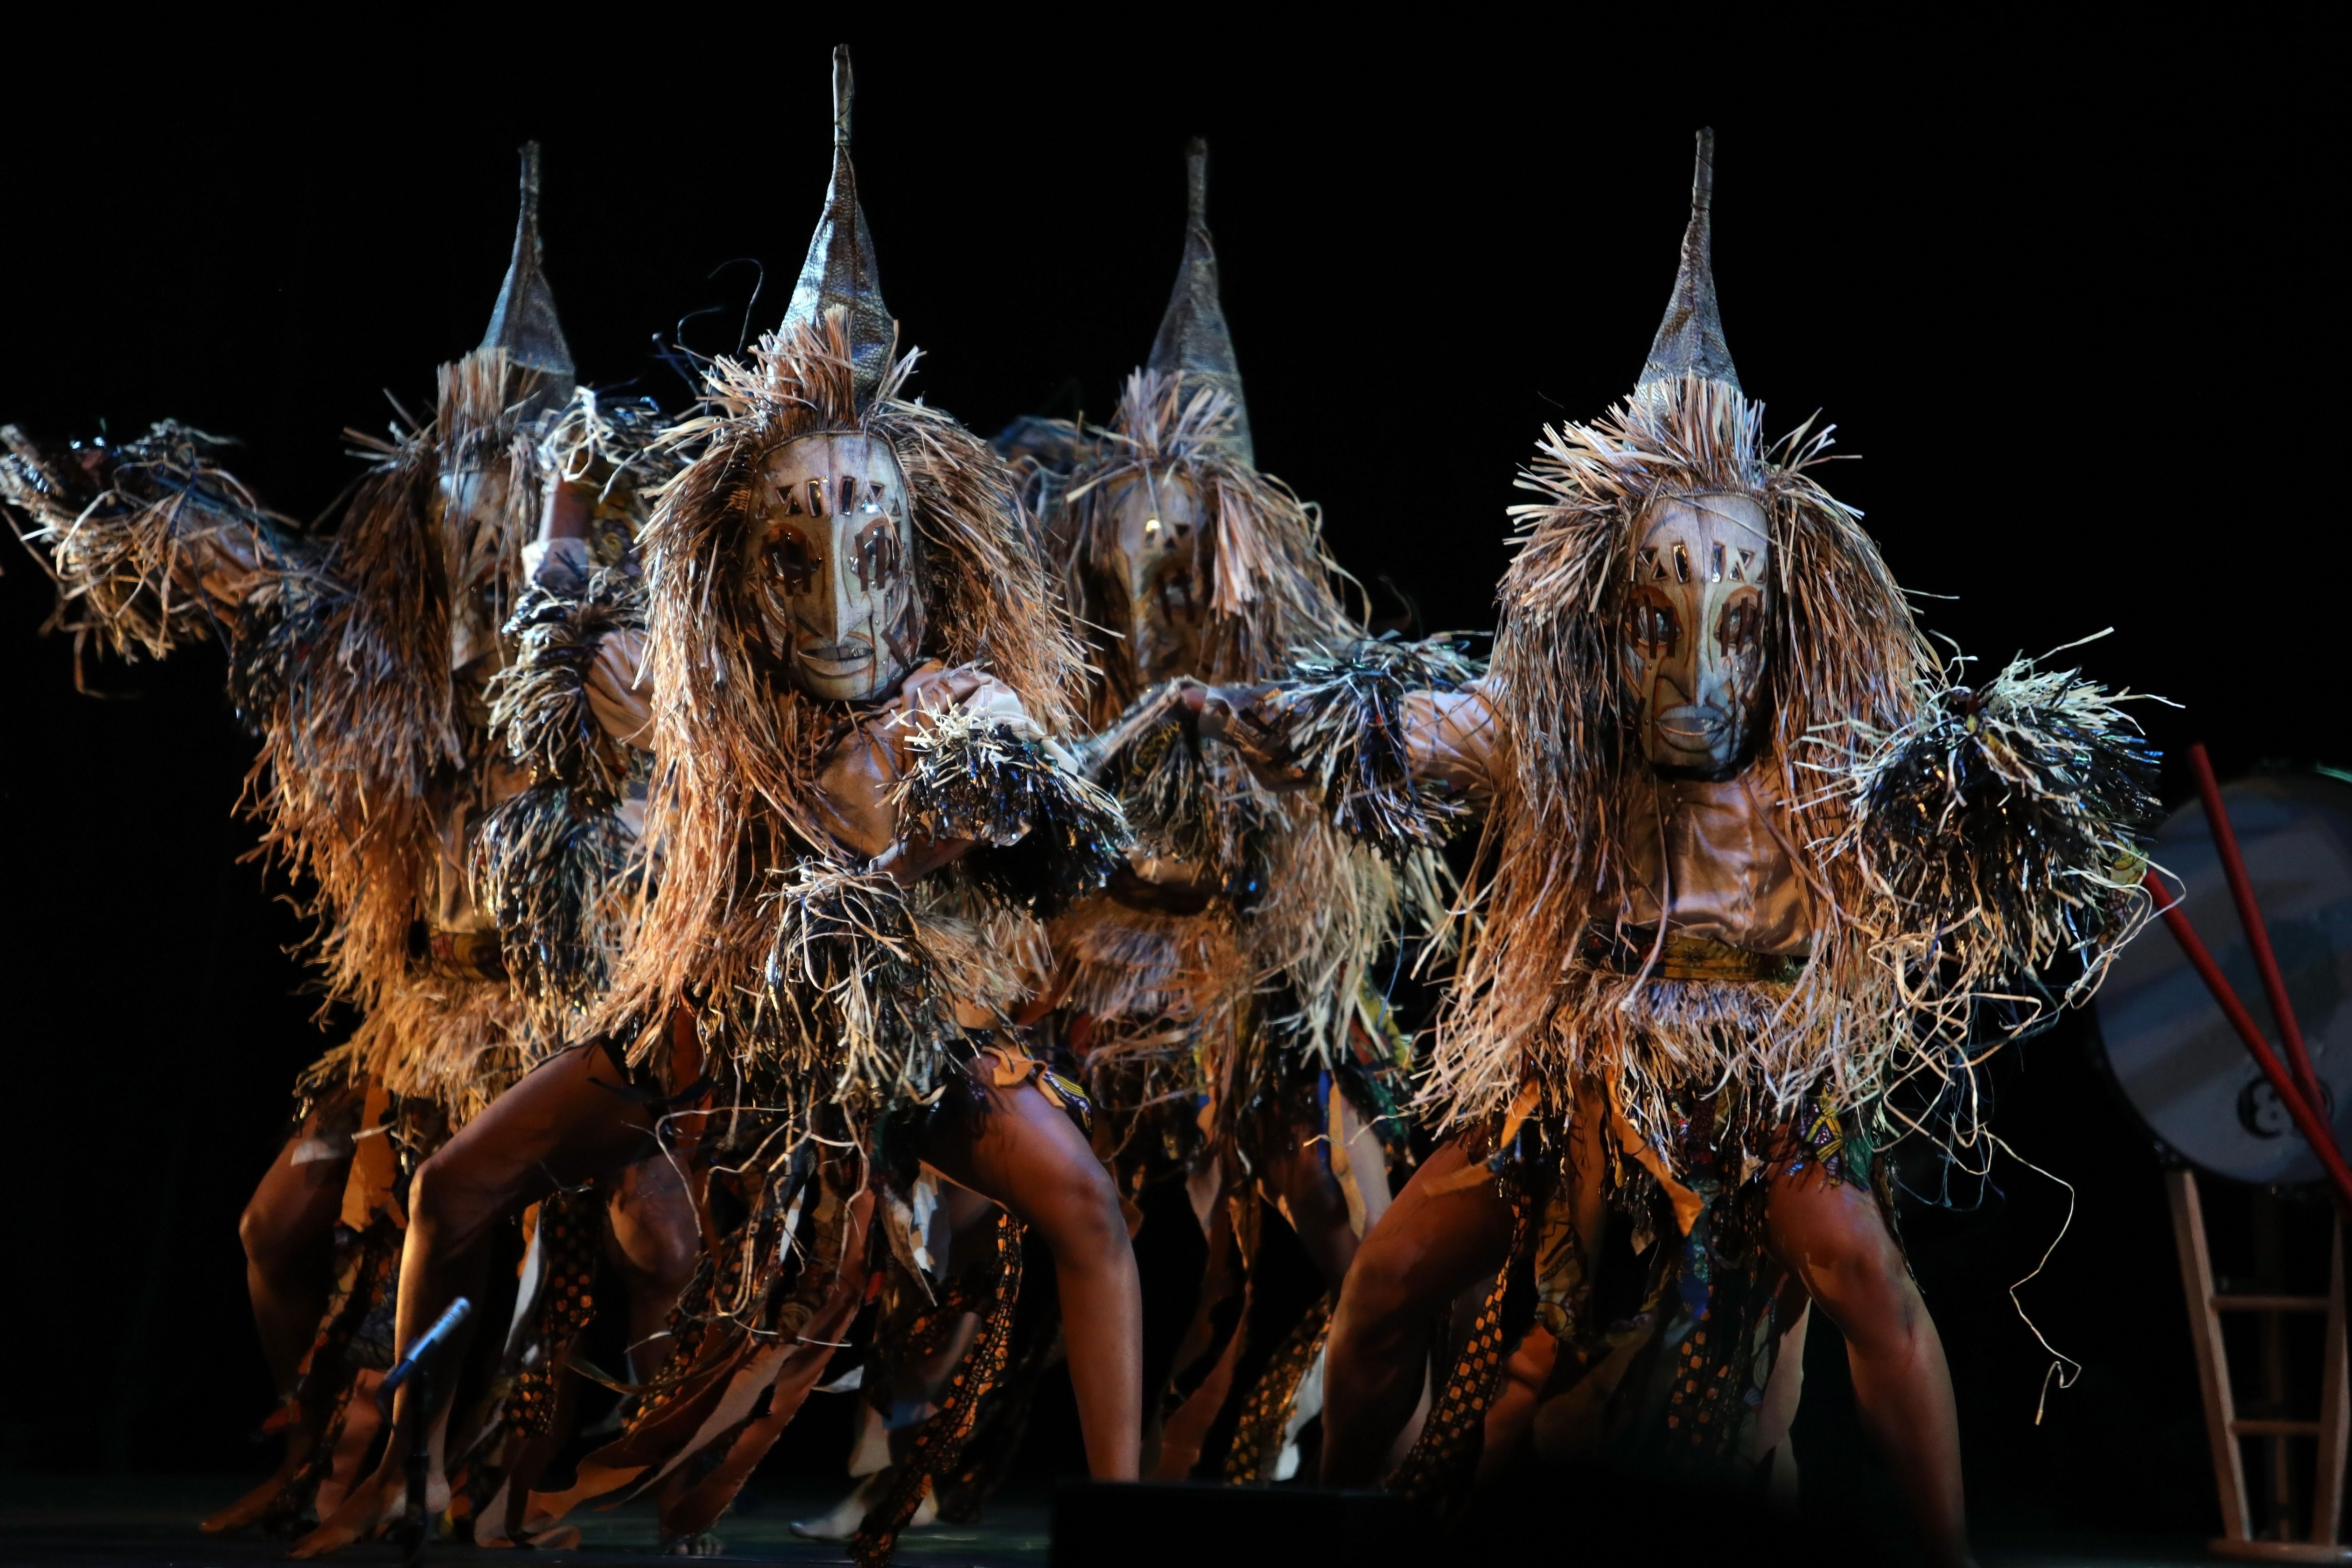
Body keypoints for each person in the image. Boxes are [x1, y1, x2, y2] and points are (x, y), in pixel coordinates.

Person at [1189, 130, 2156, 1568]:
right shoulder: (1550, 720)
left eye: (1736, 618)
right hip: (1579, 1060)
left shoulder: (1838, 732)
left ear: (1781, 609)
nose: (1701, 661)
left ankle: (1946, 1556)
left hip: (1765, 1063)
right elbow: (1398, 731)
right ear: (1613, 611)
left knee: (1861, 1275)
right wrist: (1258, 715)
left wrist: (2010, 777)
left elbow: (1969, 789)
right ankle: (1357, 1512)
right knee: (1390, 1278)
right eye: (1661, 617)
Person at [294, 51, 1144, 1566]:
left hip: (902, 1038)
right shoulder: (697, 692)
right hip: (714, 1013)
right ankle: (415, 1463)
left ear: (914, 544)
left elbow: (1068, 833)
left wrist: (986, 819)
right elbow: (553, 637)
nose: (836, 573)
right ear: (746, 553)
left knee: (1080, 1205)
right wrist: (562, 500)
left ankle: (1129, 1517)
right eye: (796, 532)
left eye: (866, 528)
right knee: (453, 1180)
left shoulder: (957, 702)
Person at [0, 145, 696, 1539]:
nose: (483, 546)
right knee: (275, 1229)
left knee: (651, 1242)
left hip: (561, 1028)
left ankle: (587, 1470)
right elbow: (251, 573)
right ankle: (332, 1446)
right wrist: (118, 504)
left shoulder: (603, 666)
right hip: (421, 1021)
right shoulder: (377, 662)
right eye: (464, 518)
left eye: (510, 518)